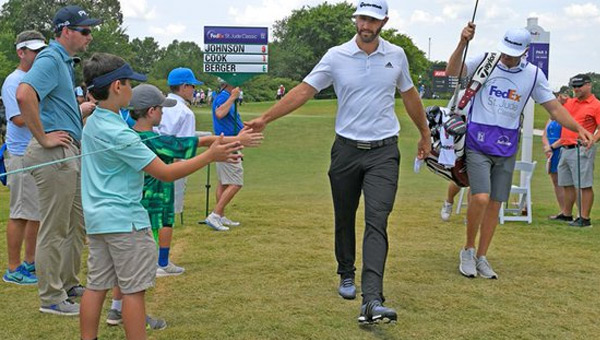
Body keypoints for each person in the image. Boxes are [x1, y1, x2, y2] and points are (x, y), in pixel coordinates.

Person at [245, 0, 430, 324]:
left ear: (384, 22)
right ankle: (346, 273)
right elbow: (304, 90)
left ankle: (371, 299)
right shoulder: (336, 56)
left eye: (372, 20)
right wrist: (266, 118)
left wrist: (425, 134)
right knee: (345, 216)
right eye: (361, 19)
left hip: (384, 151)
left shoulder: (396, 56)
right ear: (355, 20)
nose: (366, 25)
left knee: (377, 219)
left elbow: (410, 96)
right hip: (346, 150)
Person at [78, 53, 243, 340]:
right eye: (130, 83)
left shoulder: (94, 122)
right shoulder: (122, 134)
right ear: (118, 86)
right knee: (133, 292)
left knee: (96, 286)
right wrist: (211, 156)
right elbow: (165, 173)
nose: (132, 89)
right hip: (126, 222)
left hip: (98, 221)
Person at [447, 24, 593, 280]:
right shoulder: (486, 60)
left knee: (495, 203)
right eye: (505, 50)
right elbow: (452, 72)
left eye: (513, 53)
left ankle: (482, 256)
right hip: (477, 140)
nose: (507, 56)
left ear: (525, 51)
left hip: (506, 144)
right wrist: (462, 42)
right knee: (480, 197)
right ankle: (468, 250)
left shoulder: (534, 74)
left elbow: (554, 109)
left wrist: (577, 127)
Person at [16, 5, 100, 316]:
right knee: (54, 228)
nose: (90, 37)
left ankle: (68, 283)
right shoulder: (51, 58)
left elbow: (56, 110)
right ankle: (51, 297)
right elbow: (25, 95)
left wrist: (82, 112)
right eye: (85, 31)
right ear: (66, 31)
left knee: (75, 224)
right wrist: (44, 138)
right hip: (54, 153)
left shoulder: (63, 63)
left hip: (69, 150)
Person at [1, 30, 47, 286]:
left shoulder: (34, 79)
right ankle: (13, 268)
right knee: (19, 213)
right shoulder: (14, 81)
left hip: (35, 153)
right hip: (20, 154)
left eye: (42, 51)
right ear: (21, 52)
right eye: (34, 51)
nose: (39, 55)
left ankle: (29, 262)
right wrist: (49, 120)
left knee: (35, 213)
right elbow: (18, 118)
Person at [156, 67, 202, 216]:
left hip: (152, 161)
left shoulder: (158, 105)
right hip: (171, 164)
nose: (194, 90)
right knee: (168, 214)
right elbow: (183, 148)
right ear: (184, 87)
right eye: (192, 86)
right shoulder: (185, 112)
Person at [556, 74, 600, 227]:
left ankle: (585, 218)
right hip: (566, 147)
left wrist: (592, 140)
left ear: (589, 85)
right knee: (566, 183)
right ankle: (567, 214)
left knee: (583, 184)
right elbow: (556, 117)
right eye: (574, 86)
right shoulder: (570, 102)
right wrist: (559, 103)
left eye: (579, 86)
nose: (576, 89)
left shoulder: (596, 105)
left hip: (581, 148)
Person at [205, 81, 245, 231]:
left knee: (223, 182)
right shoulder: (224, 97)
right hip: (228, 143)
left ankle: (220, 216)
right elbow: (220, 113)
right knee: (236, 183)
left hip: (227, 143)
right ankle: (215, 215)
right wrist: (233, 97)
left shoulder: (223, 96)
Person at [543, 116, 564, 220]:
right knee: (555, 180)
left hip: (560, 148)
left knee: (565, 181)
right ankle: (563, 210)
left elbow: (566, 136)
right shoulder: (551, 116)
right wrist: (547, 147)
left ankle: (572, 211)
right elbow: (545, 134)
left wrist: (552, 147)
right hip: (551, 150)